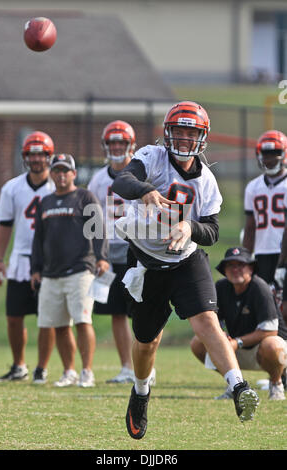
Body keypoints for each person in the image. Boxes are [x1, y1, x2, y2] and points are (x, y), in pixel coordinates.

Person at [111, 101, 259, 439]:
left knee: (207, 321)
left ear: (202, 137)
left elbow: (213, 230)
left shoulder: (206, 180)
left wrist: (190, 227)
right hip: (147, 263)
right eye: (178, 130)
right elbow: (123, 181)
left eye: (191, 132)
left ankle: (239, 388)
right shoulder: (152, 157)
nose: (183, 138)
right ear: (168, 132)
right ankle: (141, 392)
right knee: (147, 342)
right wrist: (146, 190)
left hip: (185, 259)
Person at [31, 154, 109, 388]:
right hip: (51, 273)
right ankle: (69, 371)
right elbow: (38, 239)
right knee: (59, 325)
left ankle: (87, 371)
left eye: (66, 170)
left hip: (80, 269)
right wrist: (36, 268)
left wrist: (102, 257)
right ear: (51, 174)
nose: (61, 175)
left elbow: (98, 229)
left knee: (83, 320)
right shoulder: (44, 202)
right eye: (57, 171)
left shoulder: (85, 197)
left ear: (74, 174)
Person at [0, 131, 56, 384]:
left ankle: (42, 367)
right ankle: (19, 365)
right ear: (25, 157)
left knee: (48, 317)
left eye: (41, 154)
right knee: (14, 316)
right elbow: (5, 225)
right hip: (21, 259)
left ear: (49, 157)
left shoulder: (57, 186)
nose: (37, 159)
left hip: (51, 261)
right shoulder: (12, 188)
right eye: (32, 154)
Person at [191, 247, 287, 400]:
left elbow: (270, 331)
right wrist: (223, 335)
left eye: (240, 265)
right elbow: (214, 320)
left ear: (251, 268)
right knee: (198, 343)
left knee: (272, 344)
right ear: (225, 269)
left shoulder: (260, 288)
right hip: (237, 347)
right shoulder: (221, 287)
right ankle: (235, 385)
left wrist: (237, 342)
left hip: (270, 351)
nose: (235, 270)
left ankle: (277, 383)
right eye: (230, 265)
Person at [87, 120, 135, 384]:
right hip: (108, 253)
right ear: (106, 146)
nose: (117, 147)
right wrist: (96, 253)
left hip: (137, 250)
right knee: (117, 312)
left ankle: (144, 367)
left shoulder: (141, 173)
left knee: (141, 311)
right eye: (112, 142)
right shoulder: (98, 179)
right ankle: (127, 367)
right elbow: (91, 220)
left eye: (121, 142)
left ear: (131, 145)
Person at [243, 130, 287, 285]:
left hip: (283, 250)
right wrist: (246, 259)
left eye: (275, 153)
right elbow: (250, 228)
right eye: (266, 154)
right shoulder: (253, 187)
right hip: (262, 252)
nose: (270, 158)